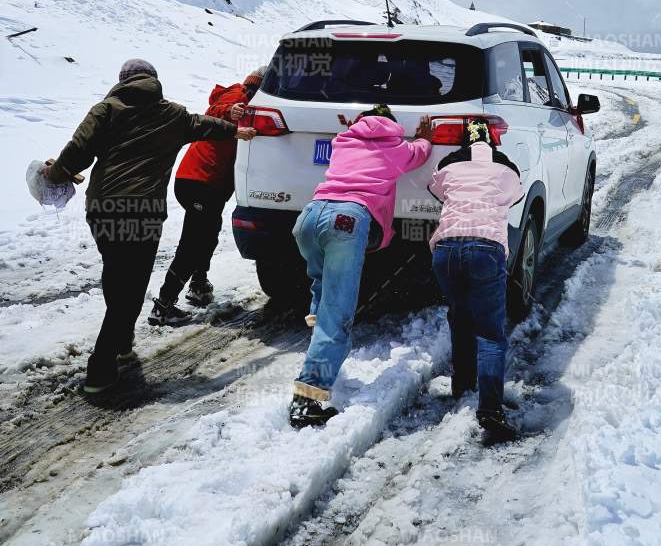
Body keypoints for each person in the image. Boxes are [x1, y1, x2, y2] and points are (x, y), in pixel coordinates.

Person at [44, 59, 257, 394]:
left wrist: (53, 173)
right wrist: (236, 130)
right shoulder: (171, 114)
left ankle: (123, 343)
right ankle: (100, 371)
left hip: (103, 208)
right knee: (129, 288)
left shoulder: (105, 110)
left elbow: (76, 154)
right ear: (154, 81)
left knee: (117, 276)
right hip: (143, 211)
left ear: (122, 81)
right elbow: (205, 124)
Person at [289, 105, 435, 428]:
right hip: (347, 220)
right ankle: (308, 398)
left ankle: (318, 318)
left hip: (310, 217)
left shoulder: (344, 141)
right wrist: (424, 137)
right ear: (392, 125)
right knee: (337, 316)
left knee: (322, 282)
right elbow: (421, 152)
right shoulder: (396, 148)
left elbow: (354, 131)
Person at [427, 118, 525, 444]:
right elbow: (515, 195)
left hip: (446, 249)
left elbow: (435, 189)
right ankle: (491, 409)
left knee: (459, 315)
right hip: (486, 247)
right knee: (490, 332)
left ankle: (463, 381)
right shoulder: (506, 169)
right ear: (493, 143)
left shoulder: (450, 165)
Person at [158, 68, 266, 309]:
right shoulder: (236, 98)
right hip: (201, 181)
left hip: (204, 183)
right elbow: (213, 113)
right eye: (253, 89)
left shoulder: (251, 105)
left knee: (208, 234)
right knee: (193, 243)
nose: (251, 93)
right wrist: (230, 111)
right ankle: (164, 303)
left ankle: (199, 283)